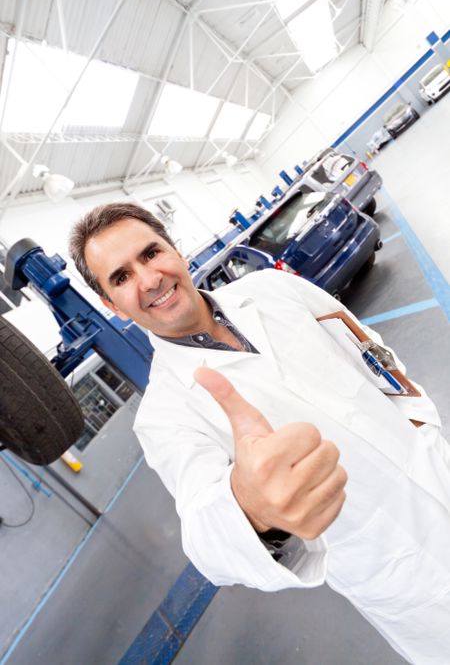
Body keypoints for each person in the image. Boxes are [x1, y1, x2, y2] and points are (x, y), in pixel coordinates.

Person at [69, 202, 450, 664]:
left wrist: (425, 430)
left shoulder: (273, 289)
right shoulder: (166, 415)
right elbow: (206, 535)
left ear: (176, 250)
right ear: (112, 307)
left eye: (151, 254)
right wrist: (251, 509)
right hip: (399, 569)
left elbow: (370, 352)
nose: (149, 280)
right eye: (121, 277)